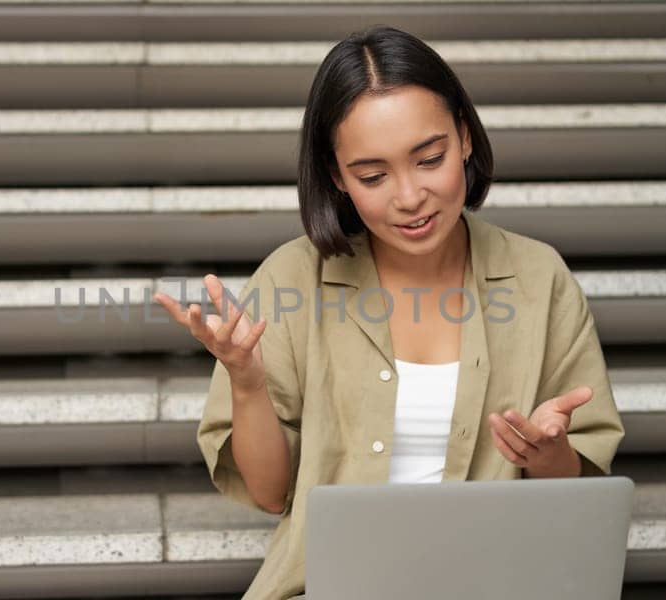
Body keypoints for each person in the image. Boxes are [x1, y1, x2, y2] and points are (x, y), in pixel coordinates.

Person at [151, 25, 625, 600]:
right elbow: (273, 495)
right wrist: (246, 382)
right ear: (336, 177)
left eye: (430, 159)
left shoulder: (538, 278)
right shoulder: (291, 279)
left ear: (467, 137)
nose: (408, 197)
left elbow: (575, 495)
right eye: (372, 176)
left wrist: (547, 455)